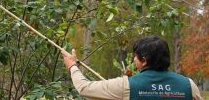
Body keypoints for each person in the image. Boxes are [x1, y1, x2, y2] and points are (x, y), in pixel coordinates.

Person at [62, 35, 203, 100]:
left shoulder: (126, 86)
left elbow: (84, 88)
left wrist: (72, 66)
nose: (134, 59)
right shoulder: (189, 86)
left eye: (136, 56)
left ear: (144, 61)